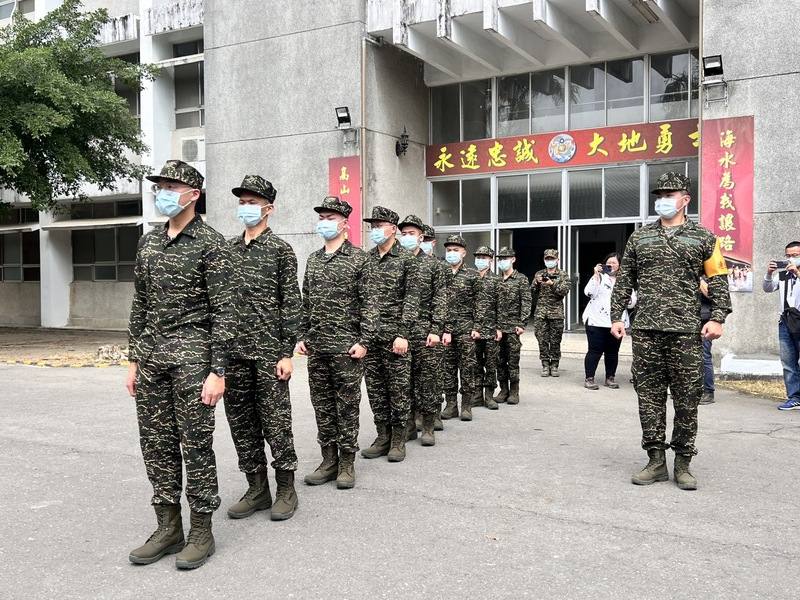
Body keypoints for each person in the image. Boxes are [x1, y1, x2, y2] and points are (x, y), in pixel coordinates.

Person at [126, 160, 235, 569]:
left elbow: (226, 312)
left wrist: (217, 370)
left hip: (194, 356)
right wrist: (134, 360)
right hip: (153, 357)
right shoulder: (149, 242)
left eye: (172, 186)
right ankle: (167, 527)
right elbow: (140, 304)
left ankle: (201, 530)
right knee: (156, 444)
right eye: (160, 185)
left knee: (195, 445)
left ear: (194, 193)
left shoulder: (212, 243)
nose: (163, 192)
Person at [610, 171, 731, 491]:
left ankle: (683, 462)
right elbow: (625, 281)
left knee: (687, 398)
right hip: (647, 330)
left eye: (670, 194)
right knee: (648, 398)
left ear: (685, 199)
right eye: (659, 195)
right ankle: (655, 460)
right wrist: (616, 315)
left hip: (685, 332)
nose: (663, 200)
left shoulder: (704, 237)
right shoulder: (640, 237)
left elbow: (718, 280)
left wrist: (717, 317)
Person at [223, 175, 301, 522]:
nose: (246, 207)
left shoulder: (280, 250)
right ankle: (256, 488)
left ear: (269, 208)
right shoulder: (227, 250)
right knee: (241, 423)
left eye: (252, 202)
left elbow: (291, 303)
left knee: (276, 422)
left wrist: (286, 352)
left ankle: (285, 488)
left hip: (269, 352)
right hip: (234, 353)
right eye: (242, 201)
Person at [299, 196, 377, 489]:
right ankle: (328, 459)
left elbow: (371, 303)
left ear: (345, 223)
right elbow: (306, 301)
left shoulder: (360, 259)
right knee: (322, 405)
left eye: (330, 218)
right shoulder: (314, 259)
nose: (324, 223)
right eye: (322, 218)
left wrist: (365, 341)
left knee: (346, 405)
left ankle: (346, 462)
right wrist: (302, 335)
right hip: (318, 346)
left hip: (347, 347)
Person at [360, 206, 420, 463]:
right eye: (372, 226)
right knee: (375, 389)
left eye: (379, 225)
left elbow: (412, 299)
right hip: (370, 337)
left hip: (396, 336)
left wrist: (403, 333)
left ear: (393, 229)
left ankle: (398, 439)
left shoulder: (407, 260)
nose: (375, 230)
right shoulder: (366, 259)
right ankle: (382, 436)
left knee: (398, 390)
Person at [398, 214, 447, 446]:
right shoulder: (395, 262)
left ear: (421, 237)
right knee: (402, 382)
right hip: (400, 333)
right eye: (404, 234)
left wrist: (436, 328)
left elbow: (440, 299)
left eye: (412, 234)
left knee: (427, 380)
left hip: (425, 331)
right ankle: (407, 426)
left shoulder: (433, 265)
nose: (407, 238)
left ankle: (428, 425)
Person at [441, 235, 489, 422]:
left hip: (466, 329)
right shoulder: (441, 272)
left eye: (455, 250)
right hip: (445, 330)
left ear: (464, 252)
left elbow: (481, 303)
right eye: (449, 250)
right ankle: (451, 405)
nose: (452, 253)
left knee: (467, 367)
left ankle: (467, 405)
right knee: (448, 368)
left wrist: (477, 327)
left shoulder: (472, 275)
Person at [582, 253, 636, 390]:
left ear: (620, 266)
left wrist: (627, 297)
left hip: (617, 322)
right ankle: (589, 378)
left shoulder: (625, 280)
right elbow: (588, 292)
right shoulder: (599, 277)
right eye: (608, 262)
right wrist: (595, 276)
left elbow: (632, 303)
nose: (611, 265)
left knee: (612, 352)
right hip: (596, 321)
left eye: (614, 263)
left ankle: (610, 378)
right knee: (594, 351)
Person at [763, 242, 800, 411]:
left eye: (795, 255)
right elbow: (768, 288)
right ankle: (794, 397)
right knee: (788, 362)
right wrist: (769, 274)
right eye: (788, 256)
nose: (791, 258)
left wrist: (797, 273)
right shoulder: (784, 274)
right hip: (785, 321)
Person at [494, 247, 532, 405]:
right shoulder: (496, 279)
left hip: (513, 327)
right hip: (498, 328)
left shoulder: (521, 279)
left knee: (513, 360)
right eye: (500, 259)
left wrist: (522, 323)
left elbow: (527, 301)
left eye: (506, 258)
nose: (503, 261)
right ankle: (503, 389)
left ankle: (514, 391)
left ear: (513, 260)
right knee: (499, 360)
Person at [422, 223, 448, 432]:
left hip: (435, 327)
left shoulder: (440, 266)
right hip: (413, 328)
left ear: (432, 242)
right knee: (413, 379)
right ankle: (415, 417)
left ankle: (434, 414)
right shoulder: (407, 263)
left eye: (426, 240)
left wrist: (442, 329)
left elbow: (445, 300)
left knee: (434, 374)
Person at [532, 249, 571, 377]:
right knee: (541, 339)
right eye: (547, 259)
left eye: (552, 259)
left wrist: (552, 283)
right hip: (541, 313)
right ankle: (544, 364)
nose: (549, 261)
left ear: (557, 260)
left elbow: (564, 291)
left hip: (556, 313)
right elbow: (531, 292)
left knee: (555, 340)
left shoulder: (563, 275)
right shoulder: (539, 273)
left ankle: (554, 365)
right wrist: (536, 283)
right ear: (544, 260)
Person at [472, 246, 502, 410]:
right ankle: (477, 395)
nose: (480, 260)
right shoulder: (471, 277)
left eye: (484, 257)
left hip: (491, 329)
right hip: (474, 329)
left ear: (491, 260)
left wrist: (499, 328)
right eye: (478, 257)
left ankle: (489, 395)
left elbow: (501, 306)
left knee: (491, 363)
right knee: (475, 363)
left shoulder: (496, 280)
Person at [699, 277, 716, 405]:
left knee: (704, 355)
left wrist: (699, 281)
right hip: (687, 318)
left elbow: (713, 295)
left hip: (704, 319)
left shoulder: (710, 275)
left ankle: (708, 391)